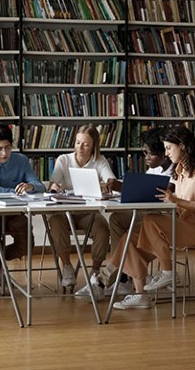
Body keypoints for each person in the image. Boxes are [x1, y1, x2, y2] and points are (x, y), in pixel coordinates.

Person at [106, 125, 195, 310]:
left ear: (181, 145)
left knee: (150, 219)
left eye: (168, 148)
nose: (166, 154)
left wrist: (174, 200)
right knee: (129, 240)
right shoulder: (179, 171)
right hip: (182, 226)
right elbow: (177, 204)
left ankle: (167, 271)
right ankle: (140, 294)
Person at [103, 127, 174, 297]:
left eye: (150, 154)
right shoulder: (155, 169)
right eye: (144, 153)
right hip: (149, 213)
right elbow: (142, 191)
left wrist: (121, 187)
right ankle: (124, 276)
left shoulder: (175, 172)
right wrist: (118, 188)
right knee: (117, 219)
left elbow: (157, 193)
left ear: (164, 153)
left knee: (130, 235)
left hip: (162, 217)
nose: (147, 158)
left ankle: (113, 276)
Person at [0, 123, 45, 289]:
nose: (4, 153)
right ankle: (0, 269)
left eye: (7, 147)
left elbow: (40, 186)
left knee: (27, 245)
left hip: (14, 212)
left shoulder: (21, 160)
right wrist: (13, 191)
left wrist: (31, 187)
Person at [47, 125, 114, 295]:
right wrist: (54, 186)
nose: (80, 148)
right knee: (55, 221)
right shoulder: (64, 159)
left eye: (85, 144)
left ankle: (95, 272)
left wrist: (105, 185)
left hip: (87, 213)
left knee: (102, 228)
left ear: (94, 146)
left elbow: (111, 180)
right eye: (77, 143)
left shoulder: (99, 160)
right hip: (64, 212)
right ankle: (67, 266)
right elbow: (52, 185)